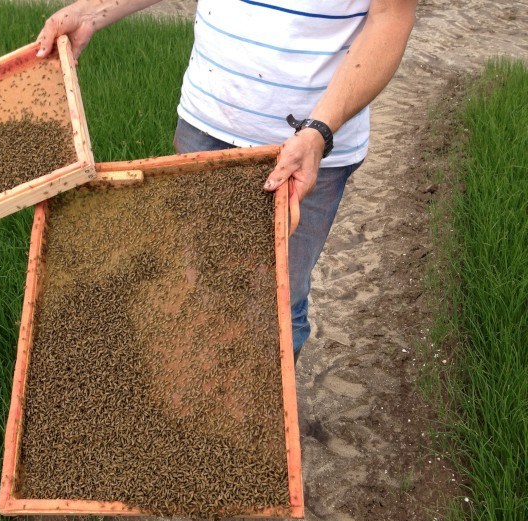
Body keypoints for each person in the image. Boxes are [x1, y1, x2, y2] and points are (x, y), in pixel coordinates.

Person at [35, 0, 416, 362]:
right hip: (204, 126)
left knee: (275, 301)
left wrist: (319, 131)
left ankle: (265, 408)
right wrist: (89, 12)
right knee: (199, 278)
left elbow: (390, 19)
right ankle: (204, 394)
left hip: (304, 150)